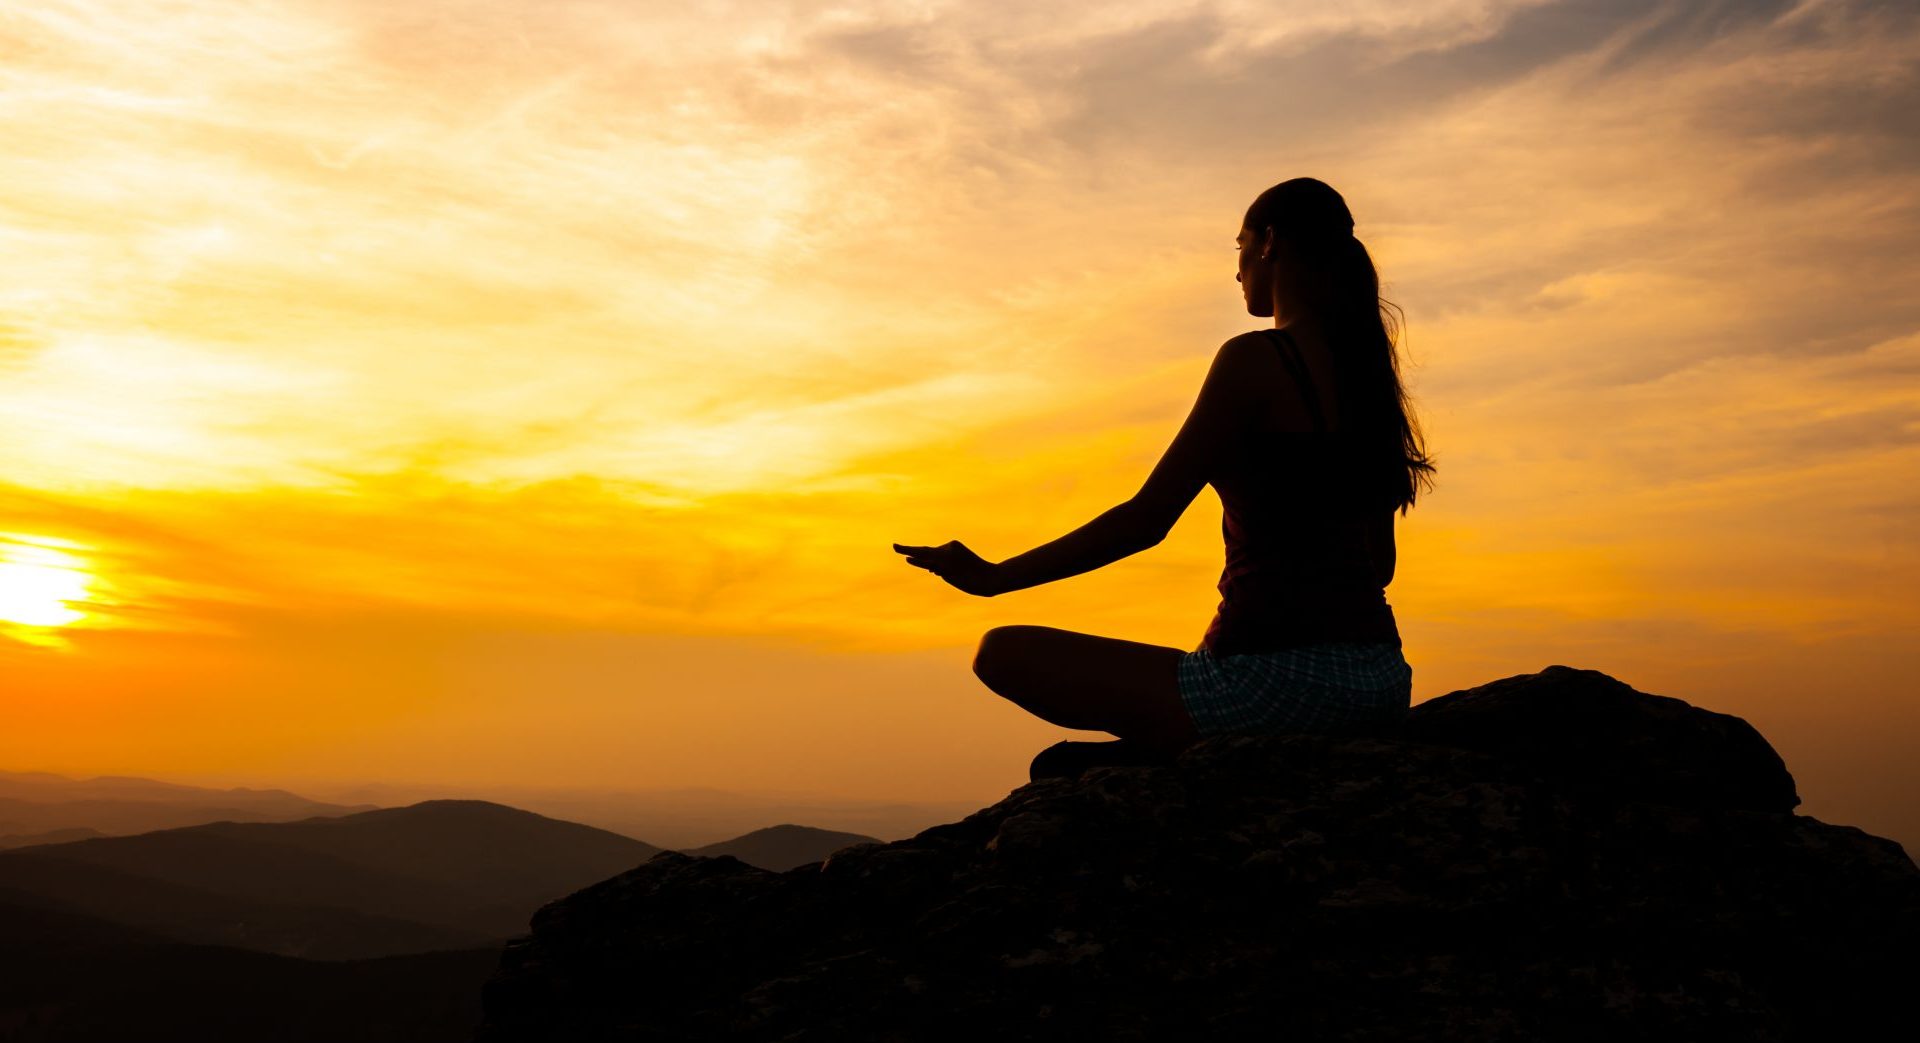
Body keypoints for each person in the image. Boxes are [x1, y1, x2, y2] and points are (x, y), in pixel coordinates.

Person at [894, 177, 1437, 782]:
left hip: (1279, 689)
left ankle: (1183, 749)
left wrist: (996, 577)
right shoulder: (1367, 379)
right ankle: (1173, 746)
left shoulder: (1256, 359)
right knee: (1094, 738)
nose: (1235, 271)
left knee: (1000, 651)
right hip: (1380, 682)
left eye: (1239, 245)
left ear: (1269, 245)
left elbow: (1146, 520)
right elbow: (1379, 567)